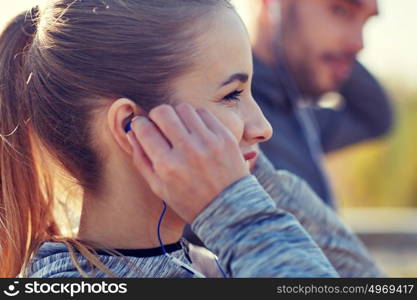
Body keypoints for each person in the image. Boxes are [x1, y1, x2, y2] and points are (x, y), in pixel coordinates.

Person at [0, 0, 382, 278]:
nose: (264, 127)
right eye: (232, 95)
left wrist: (244, 187)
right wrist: (234, 209)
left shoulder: (211, 262)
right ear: (134, 126)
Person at [232, 0, 393, 208]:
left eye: (364, 22)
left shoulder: (301, 119)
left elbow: (375, 118)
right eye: (340, 10)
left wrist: (339, 59)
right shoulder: (220, 117)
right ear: (270, 4)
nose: (359, 43)